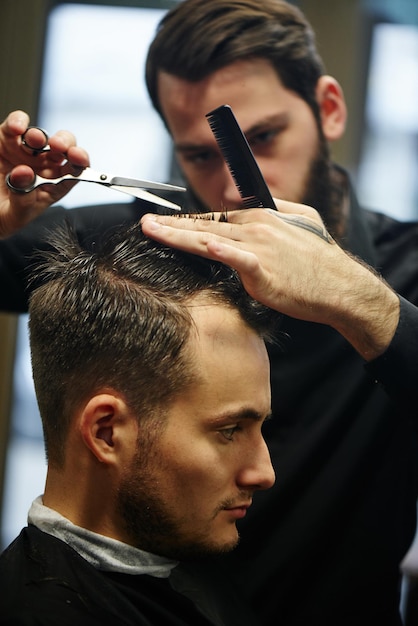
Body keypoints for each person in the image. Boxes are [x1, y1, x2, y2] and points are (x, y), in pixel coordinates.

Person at [0, 0, 417, 624]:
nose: (232, 190)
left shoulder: (406, 269)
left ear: (329, 108)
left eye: (264, 141)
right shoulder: (138, 247)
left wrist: (357, 300)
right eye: (201, 155)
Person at [0, 220, 279, 625]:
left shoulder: (180, 558)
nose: (264, 473)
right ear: (106, 432)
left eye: (260, 428)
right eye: (230, 430)